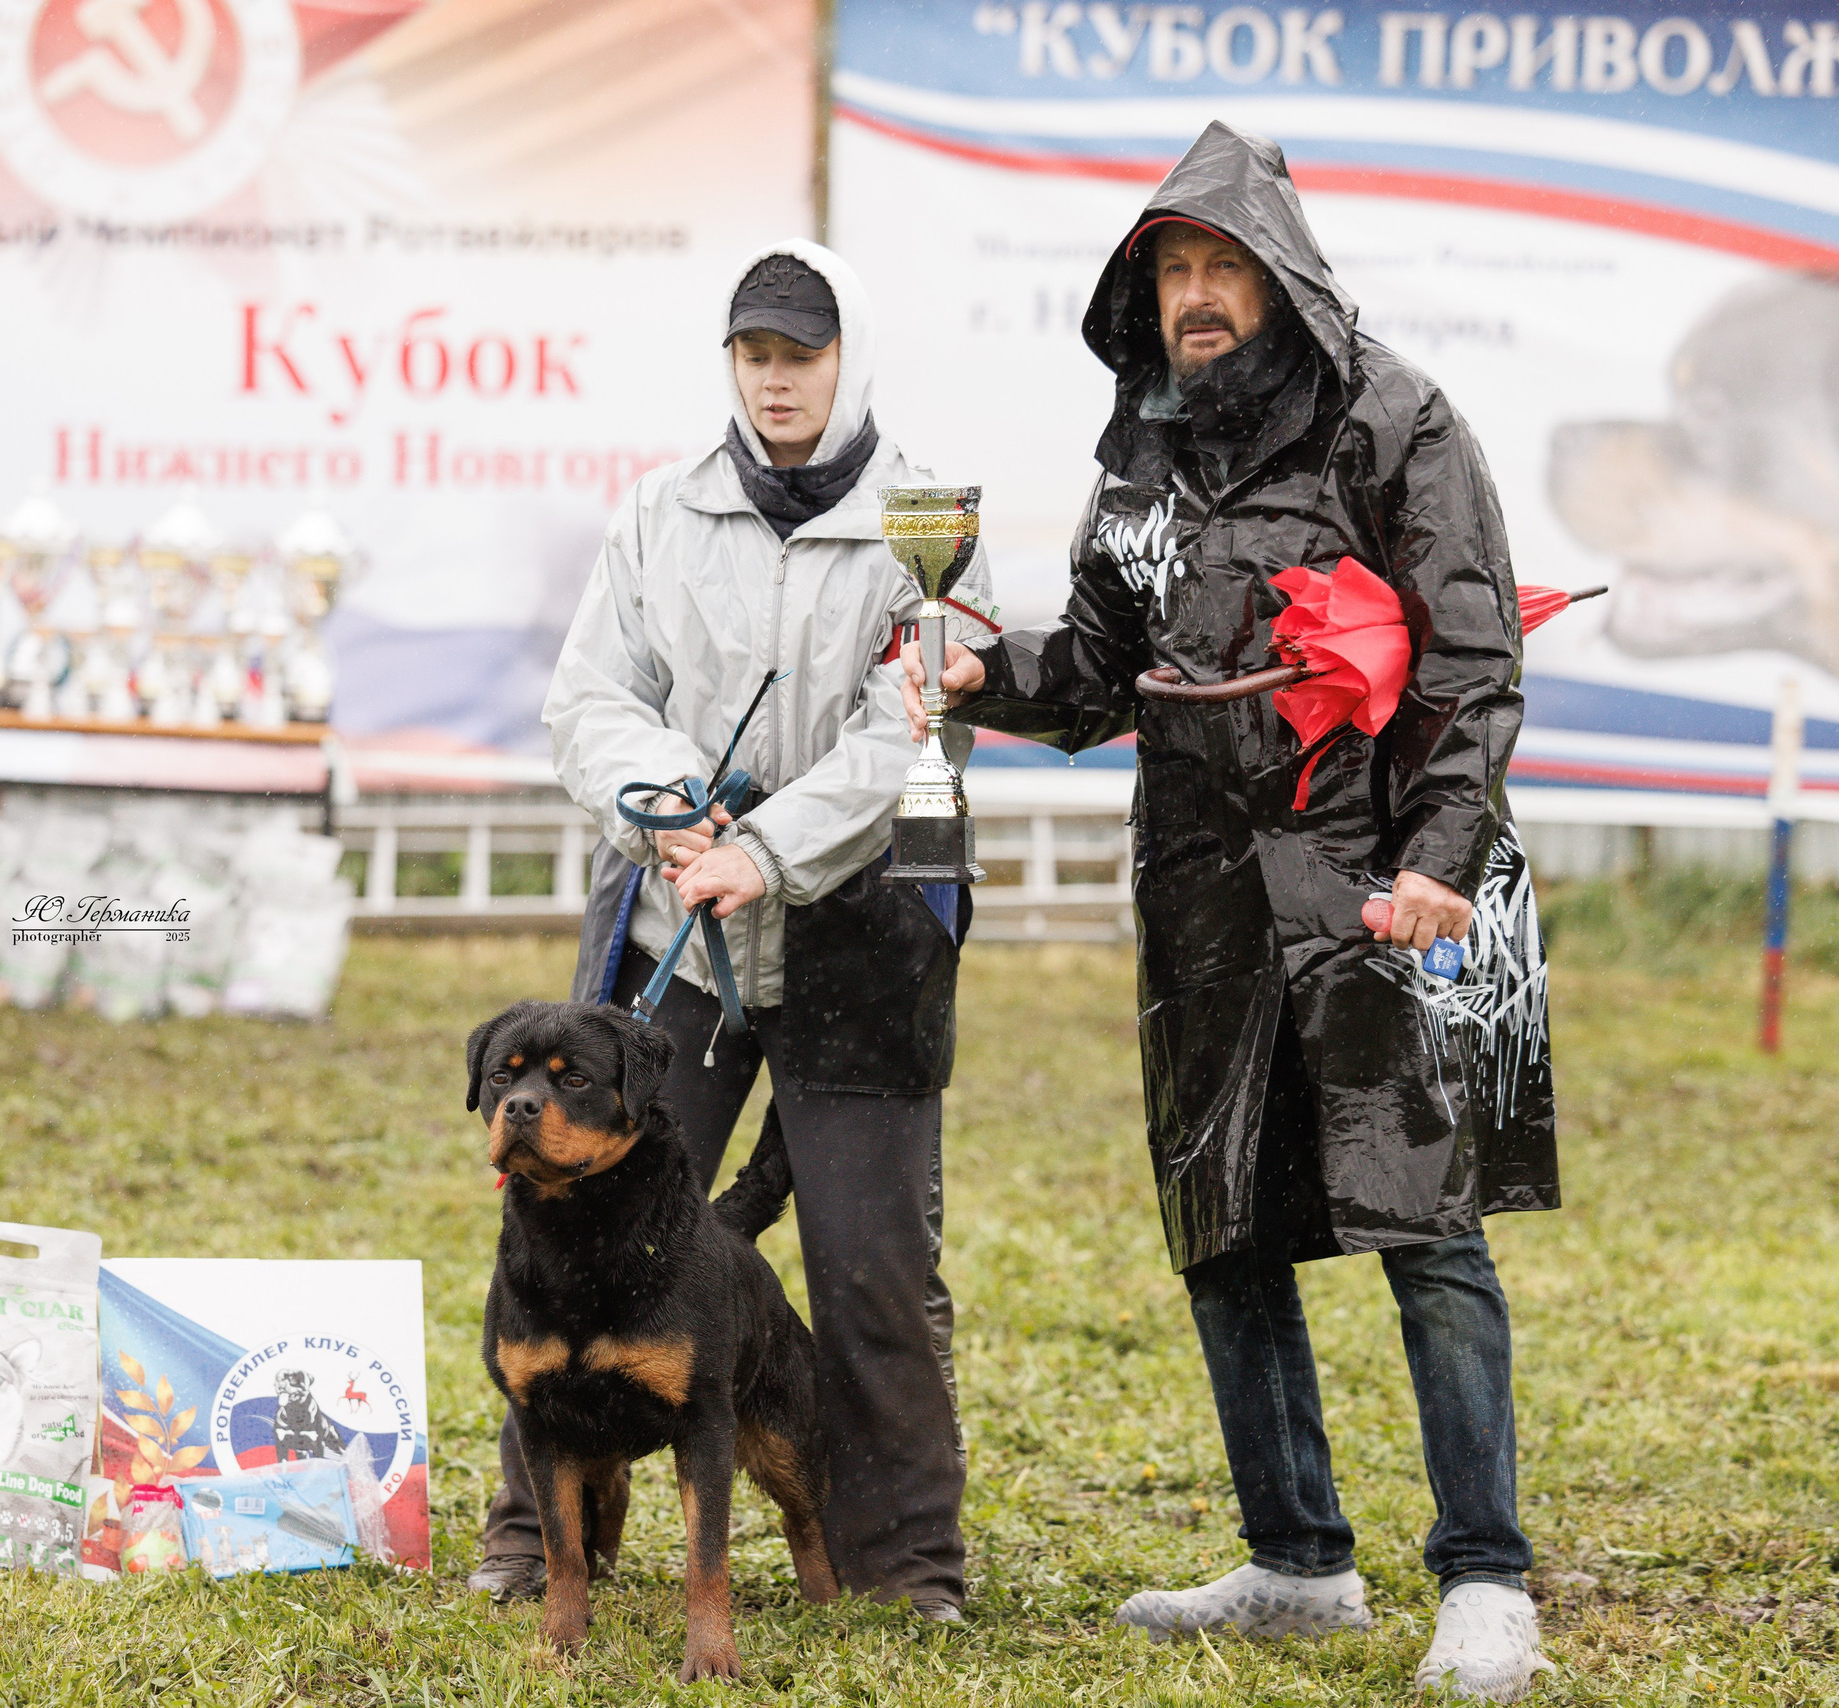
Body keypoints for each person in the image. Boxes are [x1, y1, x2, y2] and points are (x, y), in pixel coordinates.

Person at [910, 123, 1560, 1700]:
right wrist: (990, 675)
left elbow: (1474, 667)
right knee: (1221, 1222)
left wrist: (1438, 862)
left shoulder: (1396, 421)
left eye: (1221, 266)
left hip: (1374, 886)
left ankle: (1487, 1578)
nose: (1196, 296)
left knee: (1424, 1220)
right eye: (1173, 269)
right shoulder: (1142, 442)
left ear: (1282, 276)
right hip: (1197, 886)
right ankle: (1296, 1561)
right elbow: (1106, 669)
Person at [466, 241, 989, 1620]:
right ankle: (536, 1541)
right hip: (675, 923)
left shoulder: (930, 519)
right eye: (754, 352)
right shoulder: (655, 513)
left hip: (860, 923)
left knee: (871, 1266)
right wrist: (666, 802)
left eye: (801, 353)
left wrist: (769, 847)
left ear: (850, 358)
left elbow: (911, 732)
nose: (775, 378)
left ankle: (904, 1564)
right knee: (569, 1219)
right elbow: (589, 699)